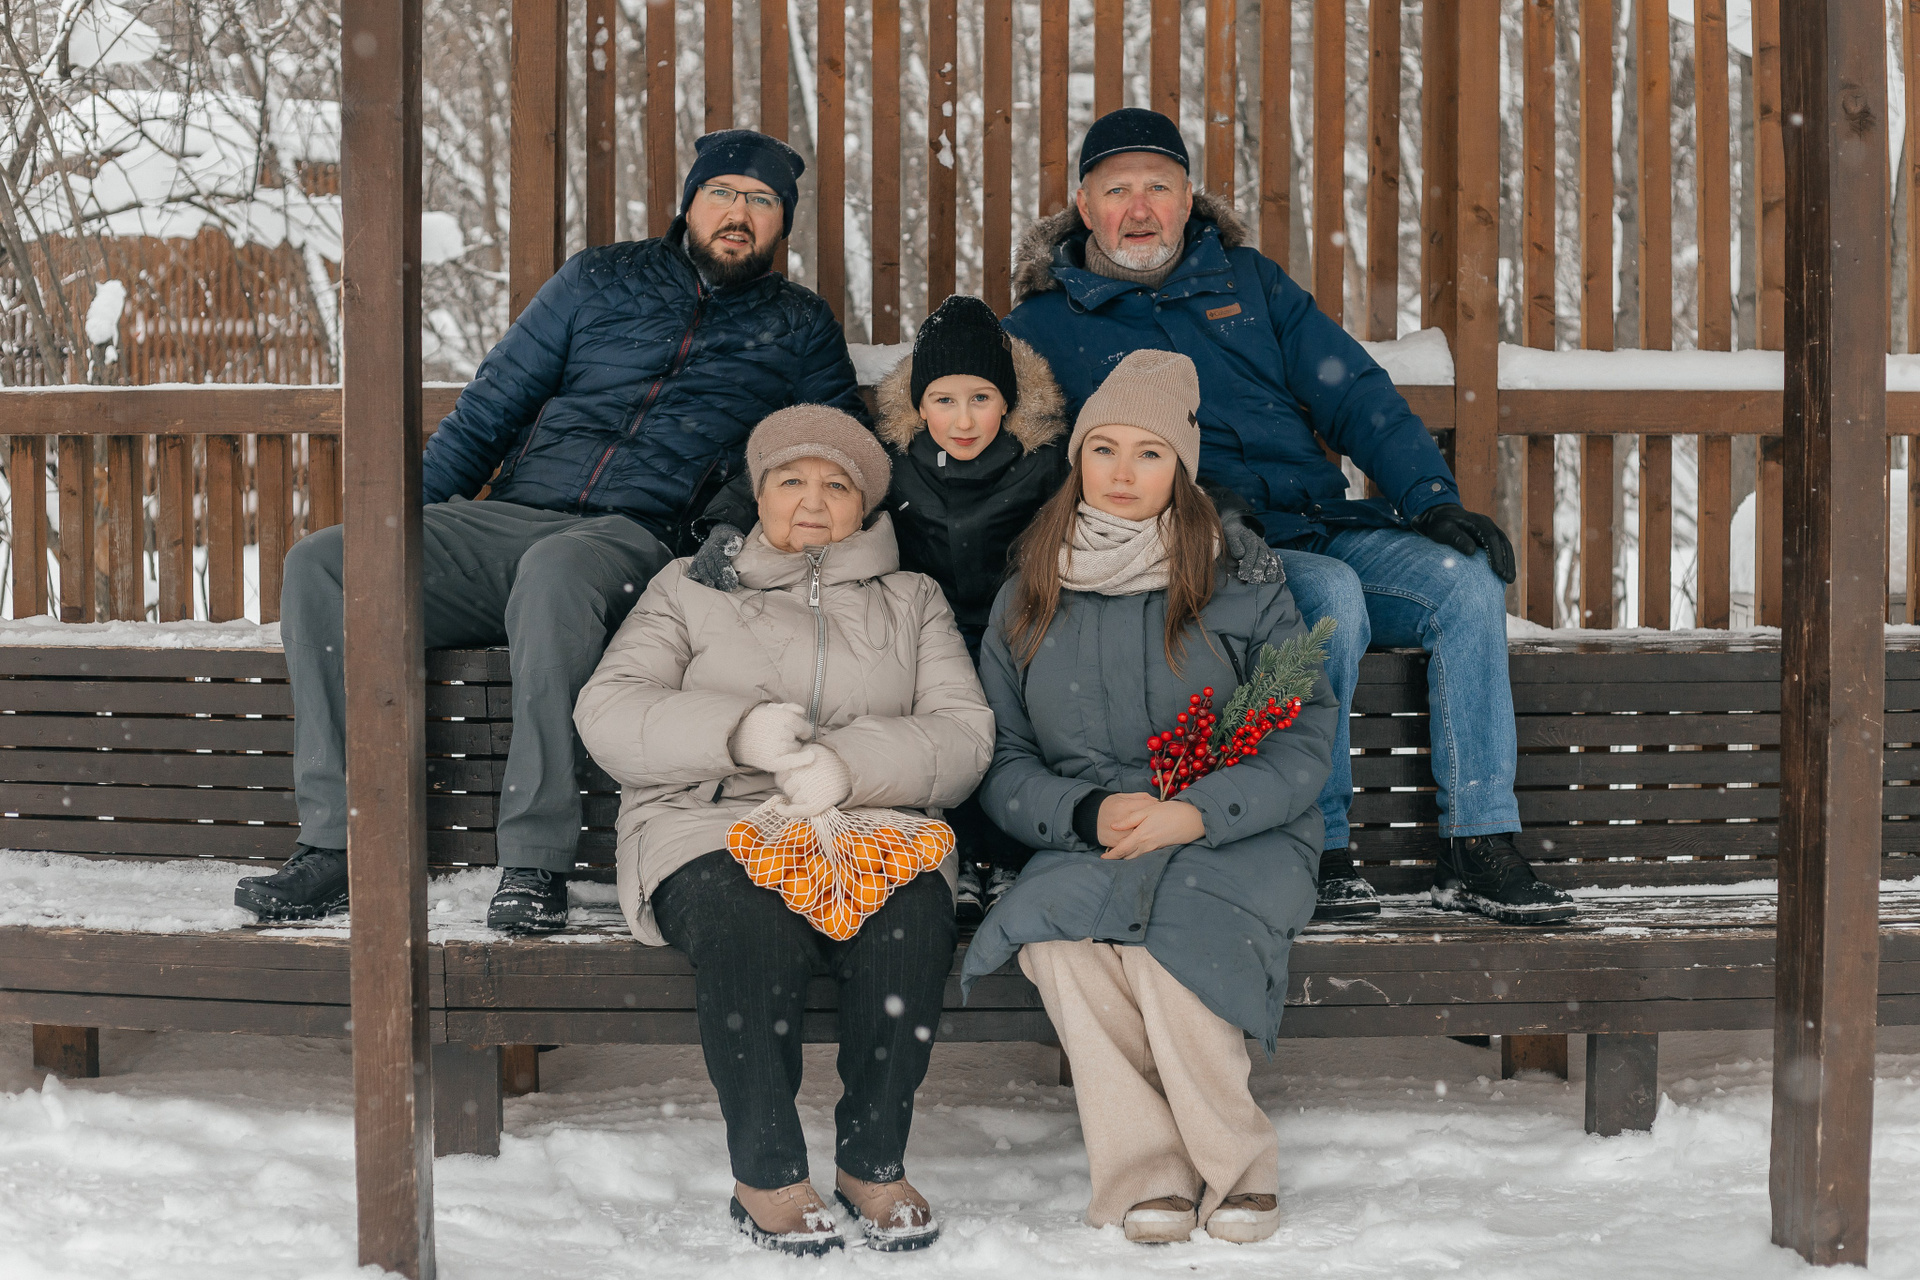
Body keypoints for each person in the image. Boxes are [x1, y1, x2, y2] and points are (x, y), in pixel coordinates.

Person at [232, 129, 866, 933]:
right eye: (722, 193)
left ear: (782, 223)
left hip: (636, 538)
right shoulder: (597, 279)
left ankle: (535, 861)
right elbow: (490, 409)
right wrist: (401, 530)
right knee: (329, 563)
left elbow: (831, 444)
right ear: (690, 202)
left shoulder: (799, 325)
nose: (738, 213)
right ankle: (338, 844)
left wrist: (732, 523)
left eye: (761, 200)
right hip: (513, 516)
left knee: (557, 569)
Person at [1002, 107, 1576, 925]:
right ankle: (1322, 844)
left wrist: (1431, 499)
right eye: (1117, 190)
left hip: (1318, 520)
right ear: (1084, 207)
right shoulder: (1043, 325)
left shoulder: (1248, 283)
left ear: (1188, 199)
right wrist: (1197, 508)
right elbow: (1041, 466)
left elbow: (1354, 392)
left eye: (1158, 187)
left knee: (1463, 584)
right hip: (1202, 552)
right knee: (1329, 597)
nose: (1140, 209)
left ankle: (1478, 841)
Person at [687, 293, 1279, 924]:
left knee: (1010, 713)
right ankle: (962, 851)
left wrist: (1232, 522)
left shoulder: (1044, 460)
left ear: (1008, 402)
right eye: (944, 400)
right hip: (923, 628)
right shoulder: (889, 458)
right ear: (919, 406)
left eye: (982, 398)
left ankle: (1009, 851)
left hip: (1019, 624)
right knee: (943, 711)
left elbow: (1159, 473)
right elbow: (788, 467)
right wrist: (726, 524)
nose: (964, 420)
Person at [574, 406, 993, 1255]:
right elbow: (608, 710)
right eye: (790, 480)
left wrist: (848, 765)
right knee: (750, 920)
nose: (812, 500)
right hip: (708, 821)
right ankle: (767, 1174)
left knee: (912, 916)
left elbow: (963, 735)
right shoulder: (687, 587)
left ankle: (873, 1163)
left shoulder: (912, 599)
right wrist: (739, 735)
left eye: (836, 485)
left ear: (865, 505)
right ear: (758, 494)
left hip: (865, 819)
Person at [962, 350, 1337, 1245]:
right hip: (1096, 833)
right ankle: (1148, 1173)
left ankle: (1238, 1165)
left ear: (1182, 469)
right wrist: (1082, 814)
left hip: (1238, 830)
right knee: (1063, 944)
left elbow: (1300, 738)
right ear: (1077, 459)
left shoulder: (1242, 582)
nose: (1122, 473)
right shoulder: (1028, 593)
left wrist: (1198, 811)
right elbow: (1002, 758)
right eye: (1104, 449)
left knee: (1179, 933)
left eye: (1149, 453)